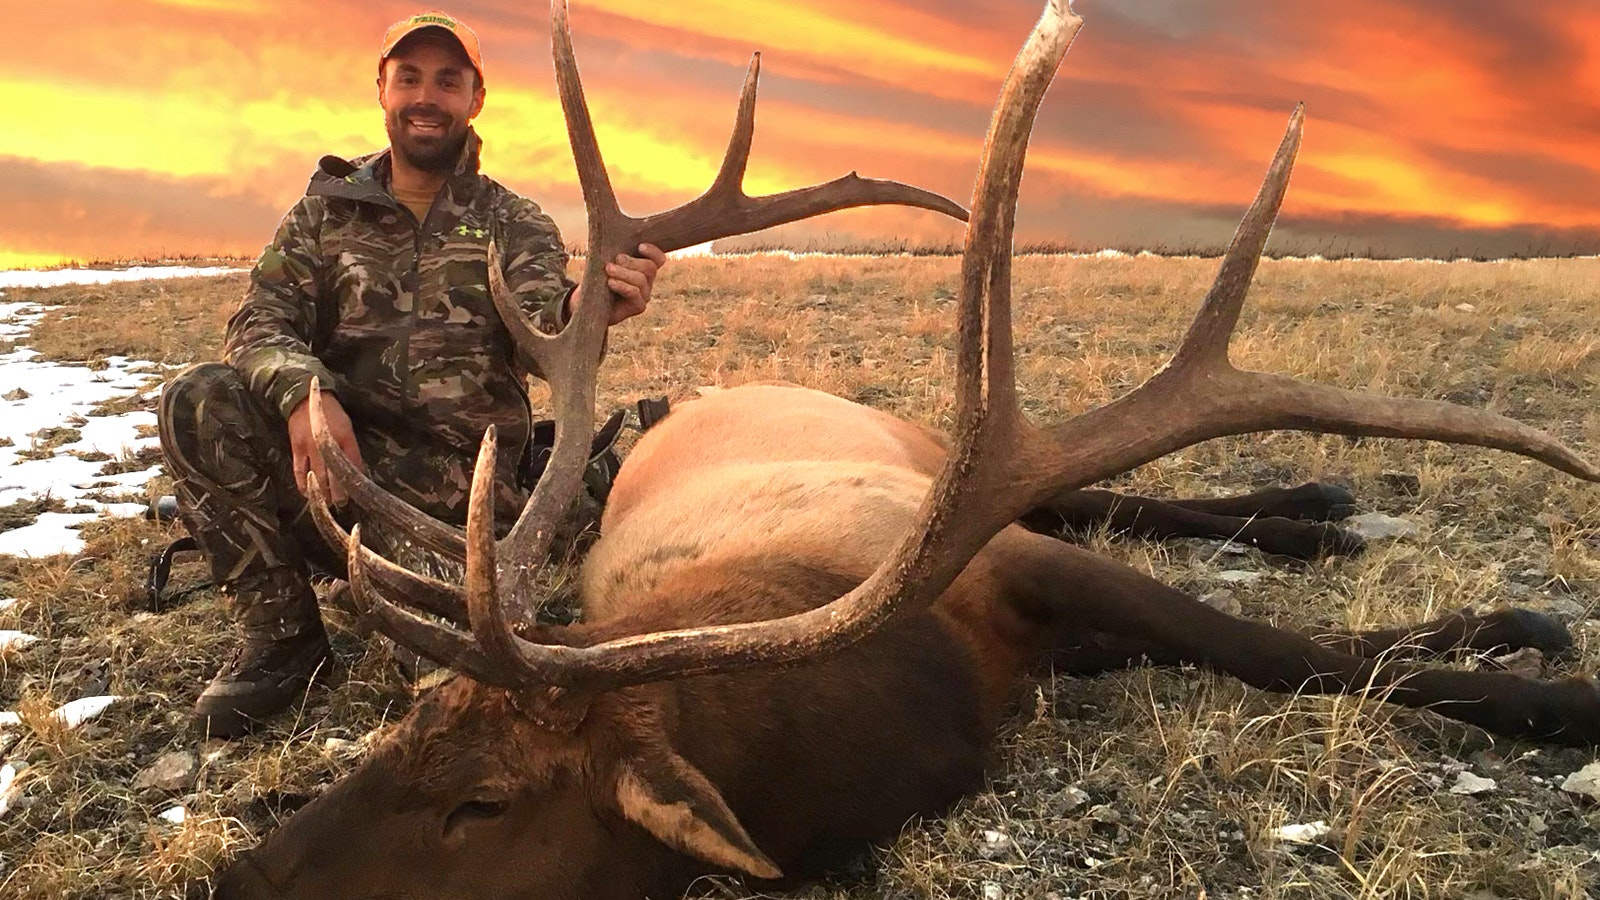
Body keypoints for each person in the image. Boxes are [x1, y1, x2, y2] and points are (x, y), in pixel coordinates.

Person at [157, 10, 666, 738]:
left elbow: (541, 332)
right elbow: (259, 325)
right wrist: (309, 394)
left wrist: (591, 309)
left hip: (451, 504)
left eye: (448, 81)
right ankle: (283, 641)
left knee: (451, 690)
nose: (427, 96)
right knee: (197, 401)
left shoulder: (511, 222)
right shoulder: (322, 216)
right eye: (411, 78)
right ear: (383, 90)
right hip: (333, 475)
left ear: (475, 100)